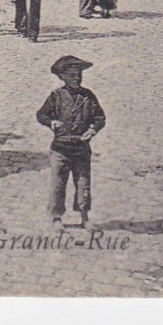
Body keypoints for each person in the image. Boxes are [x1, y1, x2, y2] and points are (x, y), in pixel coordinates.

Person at [37, 55, 106, 229]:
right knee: (58, 184)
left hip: (81, 148)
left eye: (79, 75)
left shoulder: (88, 96)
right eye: (73, 76)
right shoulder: (57, 96)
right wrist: (52, 122)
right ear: (63, 77)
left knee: (83, 183)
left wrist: (92, 130)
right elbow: (42, 114)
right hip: (60, 148)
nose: (77, 79)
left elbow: (100, 117)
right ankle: (56, 217)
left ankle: (84, 216)